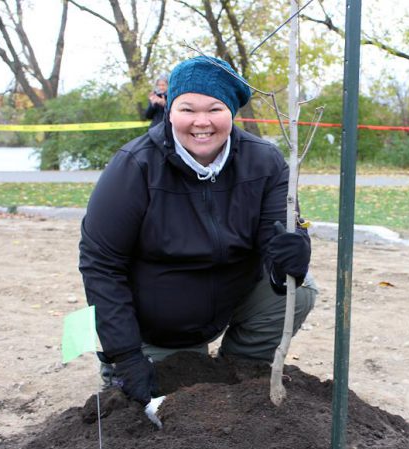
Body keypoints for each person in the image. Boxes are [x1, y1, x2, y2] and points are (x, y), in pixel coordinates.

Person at [79, 56, 317, 405]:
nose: (201, 122)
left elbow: (278, 236)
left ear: (232, 112)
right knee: (169, 403)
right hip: (162, 325)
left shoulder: (264, 161)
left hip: (232, 294)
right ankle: (135, 363)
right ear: (169, 110)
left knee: (302, 289)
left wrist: (293, 254)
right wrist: (126, 355)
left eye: (215, 109)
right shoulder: (135, 167)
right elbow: (100, 265)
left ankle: (239, 368)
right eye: (187, 109)